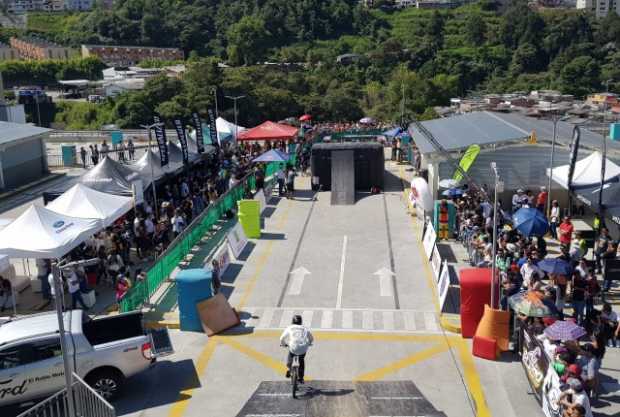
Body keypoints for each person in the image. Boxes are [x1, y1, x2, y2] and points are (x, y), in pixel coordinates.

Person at [279, 314, 314, 384]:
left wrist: (283, 344)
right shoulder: (304, 328)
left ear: (292, 321)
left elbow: (281, 338)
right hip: (303, 348)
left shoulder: (290, 327)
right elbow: (311, 338)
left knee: (290, 356)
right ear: (301, 322)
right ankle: (301, 378)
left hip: (293, 347)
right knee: (301, 360)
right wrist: (309, 343)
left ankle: (289, 369)